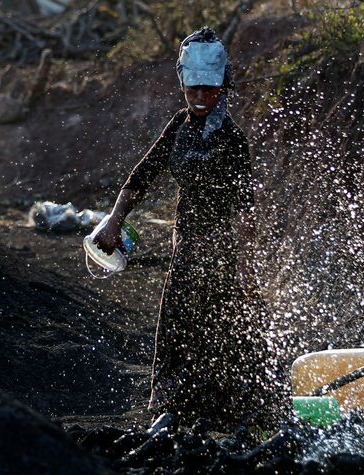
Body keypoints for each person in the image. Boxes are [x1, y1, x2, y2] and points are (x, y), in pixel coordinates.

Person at [93, 27, 277, 430]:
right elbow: (141, 177)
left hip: (224, 249)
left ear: (223, 86)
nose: (199, 97)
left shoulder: (230, 139)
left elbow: (246, 212)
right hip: (188, 244)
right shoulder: (179, 127)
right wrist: (114, 219)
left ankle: (242, 414)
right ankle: (174, 411)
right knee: (177, 326)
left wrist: (247, 267)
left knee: (231, 331)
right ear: (183, 84)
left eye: (208, 90)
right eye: (193, 89)